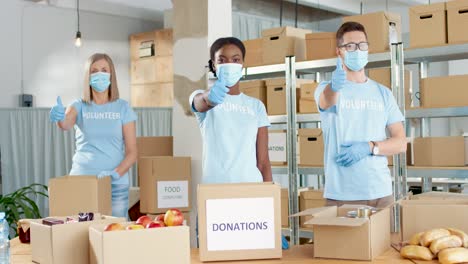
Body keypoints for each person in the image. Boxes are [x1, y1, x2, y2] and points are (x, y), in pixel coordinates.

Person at [314, 22, 407, 208]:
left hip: (381, 193)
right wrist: (335, 86)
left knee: (386, 239)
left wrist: (370, 147)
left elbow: (401, 143)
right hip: (343, 195)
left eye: (362, 45)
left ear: (368, 49)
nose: (357, 50)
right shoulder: (326, 88)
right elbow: (327, 101)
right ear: (339, 51)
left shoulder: (383, 93)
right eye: (350, 46)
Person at [49, 53, 137, 218]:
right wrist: (59, 118)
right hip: (82, 181)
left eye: (104, 70)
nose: (99, 74)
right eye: (94, 70)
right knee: (80, 234)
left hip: (115, 185)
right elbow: (66, 124)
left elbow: (132, 152)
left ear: (112, 74)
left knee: (114, 235)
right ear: (87, 76)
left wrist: (115, 174)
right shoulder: (79, 105)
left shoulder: (123, 107)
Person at [189, 37, 272, 183]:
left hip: (251, 188)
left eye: (235, 60)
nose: (229, 64)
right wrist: (210, 97)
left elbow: (263, 161)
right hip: (215, 188)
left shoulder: (256, 106)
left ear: (242, 64)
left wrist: (271, 196)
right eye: (222, 60)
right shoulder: (202, 98)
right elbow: (199, 102)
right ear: (214, 65)